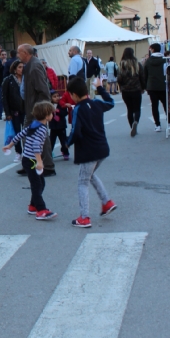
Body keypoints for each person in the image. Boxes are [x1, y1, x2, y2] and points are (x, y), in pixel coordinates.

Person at [66, 77, 118, 228]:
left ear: (74, 94)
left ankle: (85, 217)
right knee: (90, 175)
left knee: (82, 181)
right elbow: (111, 103)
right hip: (102, 148)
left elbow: (76, 131)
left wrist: (67, 143)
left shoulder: (78, 109)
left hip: (89, 151)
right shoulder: (96, 103)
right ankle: (106, 202)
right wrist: (101, 88)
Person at [4, 101, 57, 220]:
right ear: (46, 115)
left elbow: (20, 135)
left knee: (40, 183)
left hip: (28, 160)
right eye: (51, 113)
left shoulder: (34, 125)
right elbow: (36, 145)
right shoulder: (42, 128)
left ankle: (33, 206)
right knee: (37, 184)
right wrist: (39, 161)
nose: (52, 115)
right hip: (32, 160)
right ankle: (41, 210)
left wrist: (10, 145)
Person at [18, 44, 56, 176]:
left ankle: (48, 166)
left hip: (37, 109)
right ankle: (29, 164)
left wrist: (42, 111)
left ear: (25, 53)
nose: (18, 56)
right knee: (27, 136)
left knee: (40, 137)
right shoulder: (30, 66)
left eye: (19, 53)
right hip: (31, 108)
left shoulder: (34, 67)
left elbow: (43, 90)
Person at [117, 48, 145, 137]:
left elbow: (119, 78)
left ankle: (131, 125)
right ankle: (135, 122)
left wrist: (121, 85)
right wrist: (143, 87)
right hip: (136, 89)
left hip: (126, 90)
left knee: (129, 109)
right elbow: (142, 77)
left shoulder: (121, 65)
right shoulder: (137, 64)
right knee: (137, 108)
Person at [2, 60, 25, 163]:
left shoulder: (26, 79)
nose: (21, 69)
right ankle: (18, 152)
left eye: (23, 67)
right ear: (15, 69)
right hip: (14, 110)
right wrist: (7, 113)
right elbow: (4, 98)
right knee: (17, 132)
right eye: (19, 67)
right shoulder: (8, 80)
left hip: (26, 109)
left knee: (27, 131)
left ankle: (28, 152)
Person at [143, 44, 166, 132]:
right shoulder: (164, 60)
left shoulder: (148, 61)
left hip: (152, 86)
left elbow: (145, 74)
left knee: (154, 106)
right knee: (166, 104)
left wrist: (145, 86)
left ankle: (157, 125)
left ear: (152, 50)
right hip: (163, 85)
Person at [49, 90, 70, 161]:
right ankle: (49, 154)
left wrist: (58, 111)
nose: (57, 98)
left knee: (63, 141)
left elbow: (65, 113)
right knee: (51, 142)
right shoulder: (49, 105)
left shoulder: (61, 104)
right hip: (53, 127)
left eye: (58, 96)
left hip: (61, 126)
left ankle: (65, 152)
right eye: (54, 97)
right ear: (51, 98)